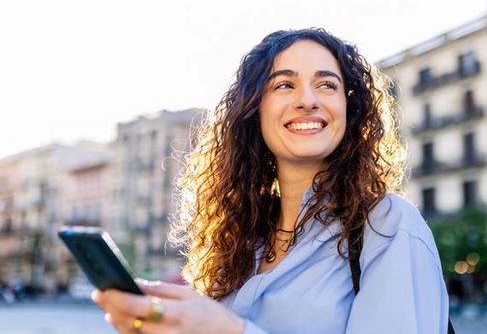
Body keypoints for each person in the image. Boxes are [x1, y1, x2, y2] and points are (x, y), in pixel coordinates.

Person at [92, 28, 450, 334]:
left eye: (327, 84)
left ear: (349, 108)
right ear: (254, 110)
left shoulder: (388, 224)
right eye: (284, 85)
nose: (307, 100)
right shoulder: (240, 242)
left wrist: (227, 330)